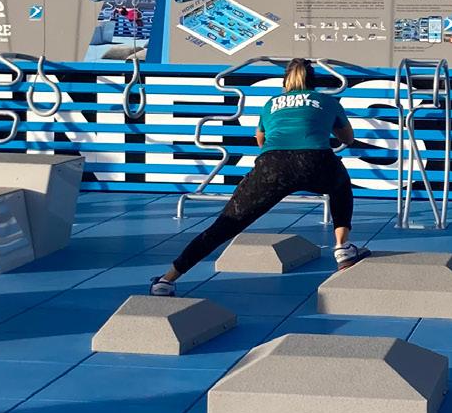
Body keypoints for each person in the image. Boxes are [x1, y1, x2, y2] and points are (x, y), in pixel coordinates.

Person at [151, 58, 370, 295]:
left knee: (225, 225)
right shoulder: (327, 101)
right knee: (340, 185)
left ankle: (167, 280)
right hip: (316, 160)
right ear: (313, 82)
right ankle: (342, 247)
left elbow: (261, 140)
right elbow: (348, 139)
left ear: (285, 83)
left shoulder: (271, 104)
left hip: (272, 165)